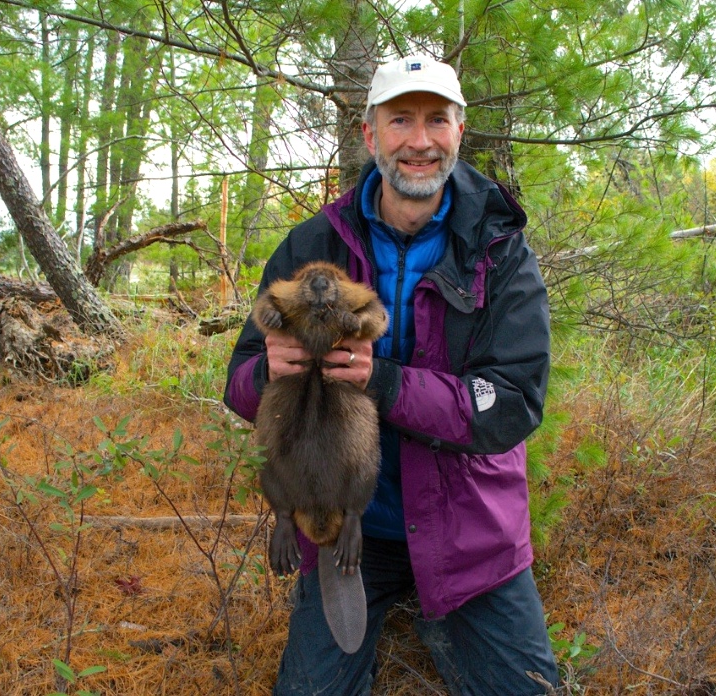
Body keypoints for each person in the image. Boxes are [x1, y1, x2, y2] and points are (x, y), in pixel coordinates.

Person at [224, 54, 558, 695]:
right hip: (350, 526)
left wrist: (389, 384)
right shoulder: (312, 243)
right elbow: (240, 375)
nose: (420, 140)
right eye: (400, 119)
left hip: (471, 537)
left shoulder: (499, 251)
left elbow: (513, 401)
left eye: (437, 120)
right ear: (371, 135)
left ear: (460, 132)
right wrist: (267, 373)